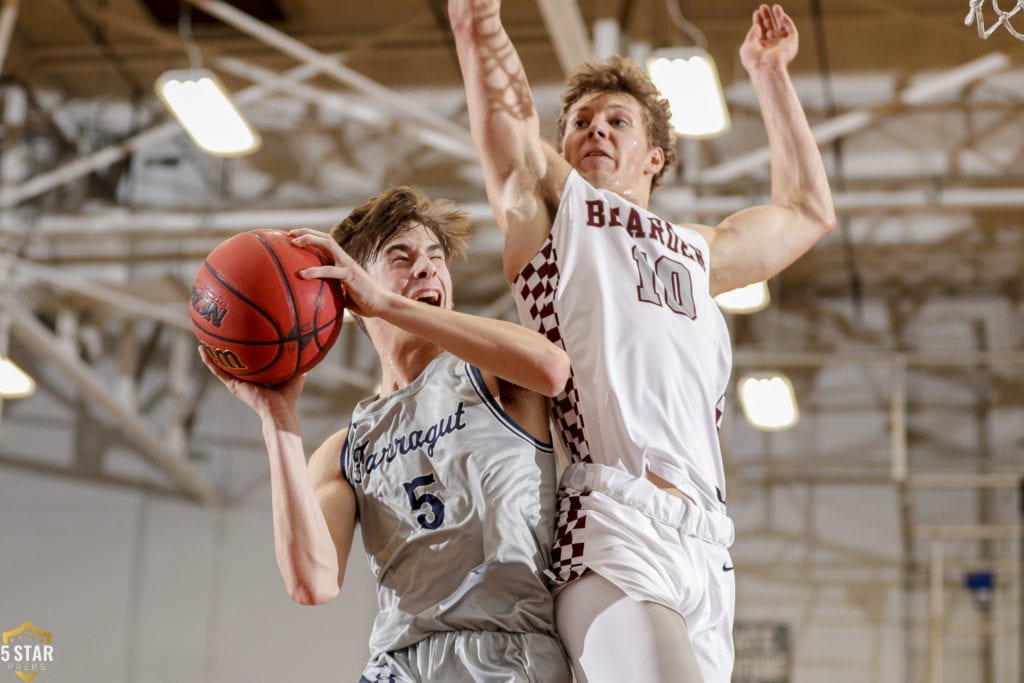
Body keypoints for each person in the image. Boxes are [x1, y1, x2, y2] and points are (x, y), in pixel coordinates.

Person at [448, 2, 836, 681]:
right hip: (611, 516)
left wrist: (768, 74)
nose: (595, 127)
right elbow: (506, 125)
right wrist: (477, 22)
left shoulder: (697, 249)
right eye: (579, 122)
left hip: (708, 542)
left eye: (616, 120)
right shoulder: (557, 216)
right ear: (561, 147)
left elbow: (807, 211)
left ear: (654, 156)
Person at [201, 186, 573, 682]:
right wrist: (277, 417)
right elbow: (312, 581)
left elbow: (551, 368)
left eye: (435, 257)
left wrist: (388, 303)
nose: (427, 268)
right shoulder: (347, 447)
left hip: (503, 653)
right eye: (401, 257)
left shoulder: (490, 376)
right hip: (396, 664)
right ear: (349, 291)